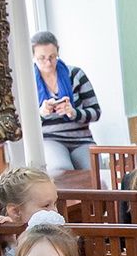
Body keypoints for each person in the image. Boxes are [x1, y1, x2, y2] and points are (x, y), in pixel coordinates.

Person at [31, 31, 104, 172]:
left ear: (58, 52)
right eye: (42, 58)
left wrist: (74, 112)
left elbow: (96, 113)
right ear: (33, 56)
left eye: (52, 57)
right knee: (61, 169)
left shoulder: (76, 75)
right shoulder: (30, 83)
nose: (48, 62)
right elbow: (25, 124)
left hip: (81, 140)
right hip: (50, 139)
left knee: (93, 171)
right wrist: (42, 113)